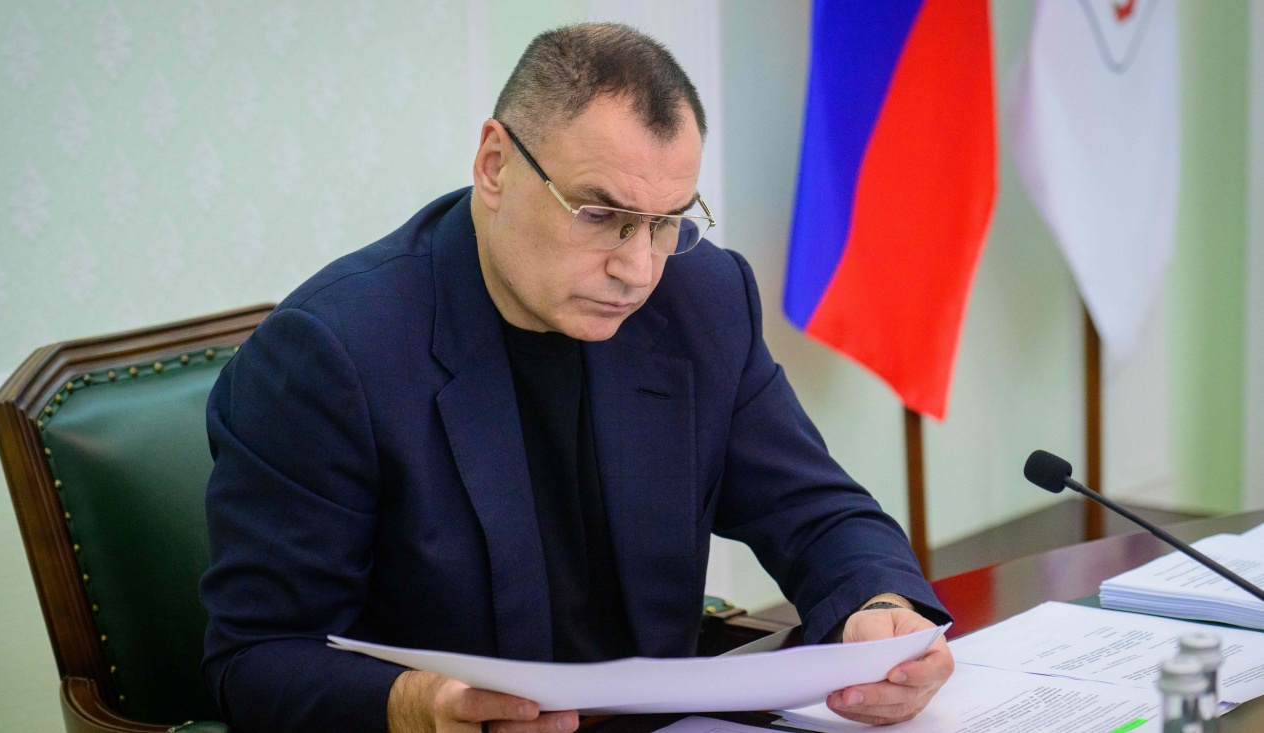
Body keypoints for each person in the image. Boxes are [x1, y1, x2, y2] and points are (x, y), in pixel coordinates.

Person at [200, 22, 954, 733]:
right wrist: (419, 706)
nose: (639, 269)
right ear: (494, 165)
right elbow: (258, 659)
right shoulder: (329, 356)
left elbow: (816, 512)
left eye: (667, 221)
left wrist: (880, 608)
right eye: (599, 214)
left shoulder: (703, 298)